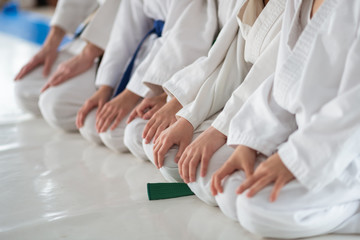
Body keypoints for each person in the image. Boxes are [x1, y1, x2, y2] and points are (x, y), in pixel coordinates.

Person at [211, 0, 360, 238]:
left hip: (344, 152)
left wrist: (297, 158)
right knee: (225, 189)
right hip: (302, 136)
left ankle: (351, 205)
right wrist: (251, 141)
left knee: (254, 209)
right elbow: (284, 82)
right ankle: (321, 205)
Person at [138, 0, 284, 196]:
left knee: (209, 181)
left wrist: (218, 129)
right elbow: (231, 66)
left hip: (278, 110)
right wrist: (189, 118)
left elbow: (267, 74)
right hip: (238, 99)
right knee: (168, 155)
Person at [76, 0, 218, 153]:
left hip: (177, 67)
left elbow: (182, 42)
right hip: (151, 58)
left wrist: (131, 94)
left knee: (119, 133)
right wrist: (106, 87)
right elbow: (125, 33)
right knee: (94, 125)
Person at [14, 0, 120, 131]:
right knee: (24, 88)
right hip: (92, 34)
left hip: (120, 43)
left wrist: (89, 53)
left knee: (55, 105)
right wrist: (52, 42)